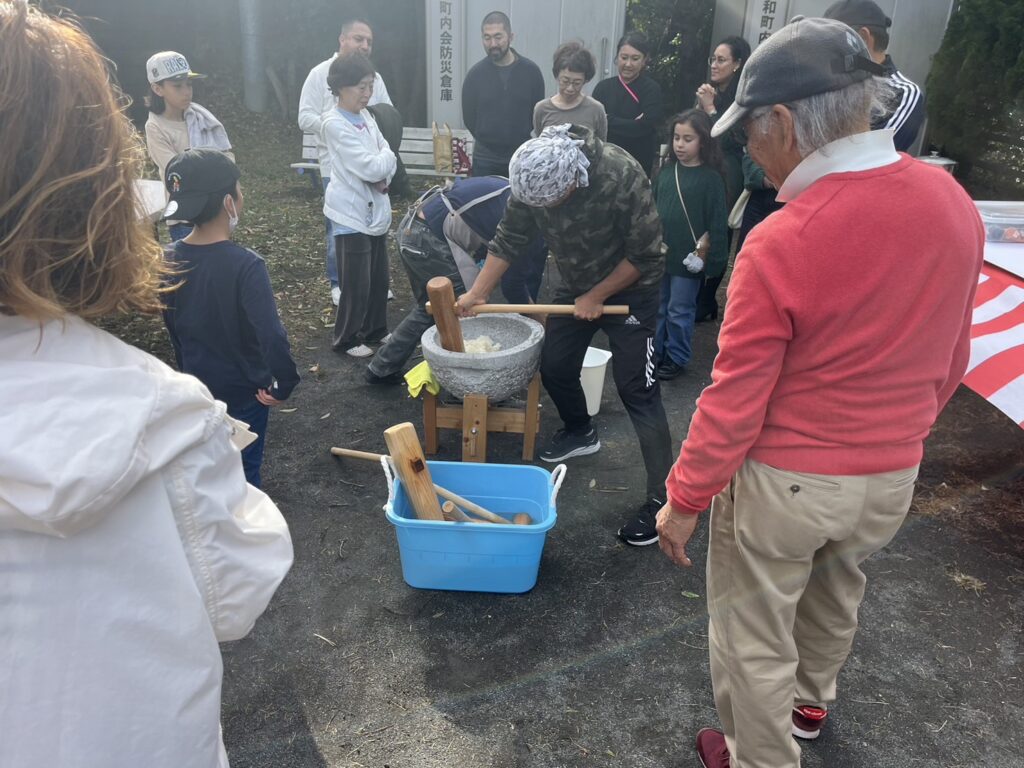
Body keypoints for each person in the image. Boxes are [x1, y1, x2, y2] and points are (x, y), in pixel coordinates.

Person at [652, 18, 984, 768]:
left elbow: (735, 399)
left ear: (781, 120)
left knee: (753, 636)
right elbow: (954, 352)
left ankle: (757, 758)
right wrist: (901, 434)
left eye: (749, 136)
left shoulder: (784, 238)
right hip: (891, 476)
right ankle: (812, 704)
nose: (749, 153)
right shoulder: (950, 201)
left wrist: (684, 499)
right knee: (839, 590)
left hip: (789, 484)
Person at [0, 6, 293, 768]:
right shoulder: (160, 417)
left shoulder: (180, 273)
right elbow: (239, 588)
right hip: (137, 742)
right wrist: (275, 385)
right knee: (248, 458)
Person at [456, 124, 674, 546]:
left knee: (638, 390)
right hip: (574, 285)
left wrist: (596, 295)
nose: (545, 211)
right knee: (555, 366)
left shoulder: (620, 174)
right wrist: (478, 292)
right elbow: (509, 237)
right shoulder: (532, 175)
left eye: (552, 204)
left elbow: (647, 255)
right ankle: (580, 430)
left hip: (633, 289)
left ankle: (663, 498)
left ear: (574, 180)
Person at [161, 149, 300, 489]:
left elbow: (173, 326)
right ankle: (243, 529)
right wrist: (284, 380)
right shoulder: (246, 266)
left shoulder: (168, 259)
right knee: (243, 468)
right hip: (246, 391)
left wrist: (187, 369)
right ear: (229, 201)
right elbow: (270, 333)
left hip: (198, 384)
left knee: (207, 462)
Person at [367, 176, 545, 384]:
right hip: (426, 235)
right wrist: (542, 327)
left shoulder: (522, 192)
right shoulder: (529, 224)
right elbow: (513, 285)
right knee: (459, 310)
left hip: (414, 228)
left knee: (432, 308)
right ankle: (472, 383)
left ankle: (382, 368)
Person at [298, 16, 408, 306]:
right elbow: (304, 116)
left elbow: (385, 113)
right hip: (334, 163)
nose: (364, 45)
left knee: (375, 221)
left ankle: (374, 282)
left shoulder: (376, 77)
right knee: (340, 224)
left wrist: (379, 147)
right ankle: (339, 283)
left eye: (369, 41)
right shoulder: (319, 73)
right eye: (359, 39)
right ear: (342, 39)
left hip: (372, 159)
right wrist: (339, 128)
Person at [321, 53, 396, 358]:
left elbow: (386, 152)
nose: (367, 94)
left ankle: (376, 330)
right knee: (356, 282)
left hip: (375, 206)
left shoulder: (365, 116)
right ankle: (347, 338)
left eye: (370, 86)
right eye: (360, 87)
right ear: (341, 87)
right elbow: (369, 165)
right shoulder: (333, 122)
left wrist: (382, 170)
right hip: (350, 212)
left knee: (379, 276)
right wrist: (380, 169)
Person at [652, 110, 727, 382]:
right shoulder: (665, 172)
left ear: (703, 142)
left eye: (688, 139)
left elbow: (718, 222)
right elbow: (651, 209)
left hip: (688, 259)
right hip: (660, 255)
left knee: (679, 309)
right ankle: (655, 352)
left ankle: (676, 356)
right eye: (676, 138)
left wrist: (714, 261)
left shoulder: (711, 180)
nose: (680, 145)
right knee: (658, 306)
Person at [144, 50, 234, 242]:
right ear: (157, 89)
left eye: (189, 84)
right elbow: (177, 171)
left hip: (215, 212)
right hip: (184, 217)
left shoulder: (202, 118)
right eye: (177, 86)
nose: (186, 91)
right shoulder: (155, 127)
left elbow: (227, 157)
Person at [694, 35, 750, 322]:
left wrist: (712, 109)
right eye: (713, 59)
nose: (714, 65)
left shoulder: (744, 97)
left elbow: (734, 139)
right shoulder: (709, 92)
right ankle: (694, 295)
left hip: (730, 171)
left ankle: (706, 300)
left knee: (719, 229)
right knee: (699, 226)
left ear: (738, 64)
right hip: (706, 168)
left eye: (722, 60)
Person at [825, 0, 925, 151]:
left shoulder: (902, 94)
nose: (826, 51)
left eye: (831, 41)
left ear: (863, 38)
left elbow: (869, 156)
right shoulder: (829, 79)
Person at [461, 11, 545, 178]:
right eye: (487, 38)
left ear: (511, 36)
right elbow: (469, 117)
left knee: (518, 203)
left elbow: (537, 113)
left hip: (520, 155)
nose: (493, 43)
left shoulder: (531, 72)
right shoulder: (475, 75)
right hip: (485, 157)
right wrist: (487, 136)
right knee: (484, 202)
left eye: (498, 37)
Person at [592, 31, 664, 176]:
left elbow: (645, 127)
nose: (628, 64)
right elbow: (595, 124)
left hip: (638, 162)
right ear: (617, 57)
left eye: (635, 58)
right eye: (624, 57)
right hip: (605, 162)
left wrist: (609, 119)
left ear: (644, 60)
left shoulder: (651, 89)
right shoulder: (603, 87)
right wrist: (632, 123)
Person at [533, 41, 607, 140]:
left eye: (577, 83)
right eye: (565, 81)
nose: (570, 88)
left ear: (586, 80)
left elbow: (600, 147)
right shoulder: (541, 109)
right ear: (556, 76)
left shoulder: (596, 110)